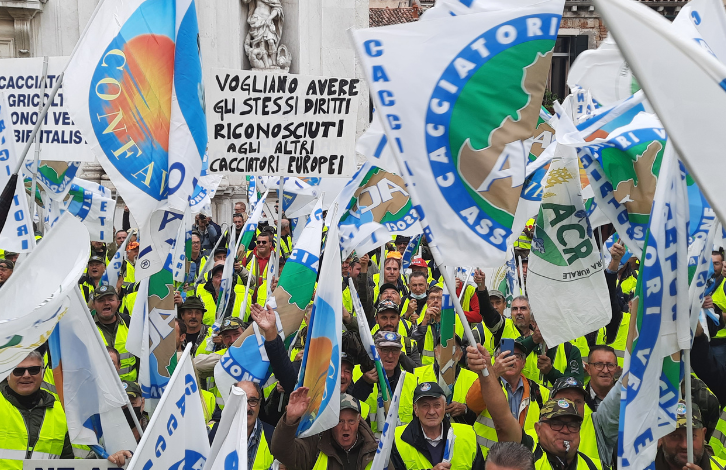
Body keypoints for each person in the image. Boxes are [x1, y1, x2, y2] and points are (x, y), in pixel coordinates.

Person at [466, 344, 602, 470]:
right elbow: (503, 420)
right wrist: (488, 372)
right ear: (539, 429)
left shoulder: (593, 466)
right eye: (556, 424)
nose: (565, 430)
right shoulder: (529, 456)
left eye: (573, 425)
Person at [466, 338, 550, 457]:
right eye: (506, 355)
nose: (511, 360)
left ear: (524, 363)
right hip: (489, 461)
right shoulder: (486, 385)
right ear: (496, 359)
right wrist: (492, 373)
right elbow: (472, 403)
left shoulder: (540, 393)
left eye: (516, 356)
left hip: (526, 461)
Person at [270, 390, 378, 470]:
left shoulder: (375, 450)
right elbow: (281, 451)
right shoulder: (314, 446)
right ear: (331, 422)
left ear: (359, 420)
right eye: (340, 421)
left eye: (351, 421)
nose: (346, 427)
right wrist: (290, 420)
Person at [0, 352, 75, 465]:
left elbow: (67, 463)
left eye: (33, 369)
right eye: (18, 371)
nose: (26, 375)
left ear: (43, 373)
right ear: (7, 374)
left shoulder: (61, 413)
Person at [390, 381, 484, 470]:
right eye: (425, 406)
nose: (431, 412)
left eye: (437, 405)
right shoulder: (398, 439)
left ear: (444, 407)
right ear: (416, 410)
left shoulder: (468, 435)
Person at [656, 400, 725, 470]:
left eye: (692, 436)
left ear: (703, 435)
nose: (685, 445)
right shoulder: (646, 466)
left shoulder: (722, 467)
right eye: (675, 436)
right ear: (661, 437)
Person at [92, 285, 138, 382]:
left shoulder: (130, 323)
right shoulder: (87, 326)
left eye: (110, 299)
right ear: (94, 305)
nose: (106, 303)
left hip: (129, 390)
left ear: (118, 303)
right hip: (101, 388)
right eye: (101, 300)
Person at [371, 299, 421, 365]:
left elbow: (418, 371)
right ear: (377, 319)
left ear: (398, 319)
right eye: (384, 318)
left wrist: (399, 354)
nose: (388, 323)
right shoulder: (368, 343)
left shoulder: (408, 344)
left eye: (392, 318)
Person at [410, 286, 444, 365]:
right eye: (432, 298)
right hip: (427, 371)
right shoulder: (420, 321)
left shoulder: (455, 320)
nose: (435, 301)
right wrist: (425, 320)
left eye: (439, 298)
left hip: (449, 370)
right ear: (427, 302)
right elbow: (414, 346)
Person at [583, 345, 618, 410]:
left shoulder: (630, 398)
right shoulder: (578, 399)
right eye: (599, 365)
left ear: (616, 369)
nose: (605, 370)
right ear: (588, 369)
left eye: (610, 365)